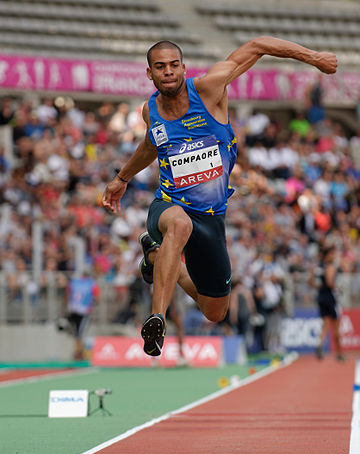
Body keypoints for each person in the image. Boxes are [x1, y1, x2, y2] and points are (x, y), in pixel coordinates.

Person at [102, 37, 337, 356]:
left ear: (183, 68)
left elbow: (256, 46)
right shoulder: (150, 110)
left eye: (173, 65)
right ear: (150, 74)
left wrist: (314, 57)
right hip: (169, 206)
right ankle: (157, 320)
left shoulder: (210, 89)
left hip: (212, 219)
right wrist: (121, 178)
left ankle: (156, 257)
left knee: (215, 312)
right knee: (179, 226)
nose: (168, 72)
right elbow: (151, 144)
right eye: (160, 67)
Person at [314, 246, 345, 362]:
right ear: (327, 255)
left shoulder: (318, 268)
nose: (333, 256)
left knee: (326, 324)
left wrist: (319, 287)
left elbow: (311, 281)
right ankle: (339, 353)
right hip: (330, 298)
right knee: (336, 325)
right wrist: (337, 290)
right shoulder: (330, 267)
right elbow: (330, 281)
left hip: (321, 296)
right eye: (332, 254)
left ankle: (320, 345)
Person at [64, 272, 100, 360]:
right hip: (84, 311)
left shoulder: (74, 282)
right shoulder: (92, 283)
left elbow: (67, 294)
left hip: (73, 309)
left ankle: (78, 352)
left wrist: (66, 306)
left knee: (77, 333)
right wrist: (92, 304)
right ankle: (79, 353)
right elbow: (97, 297)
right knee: (80, 333)